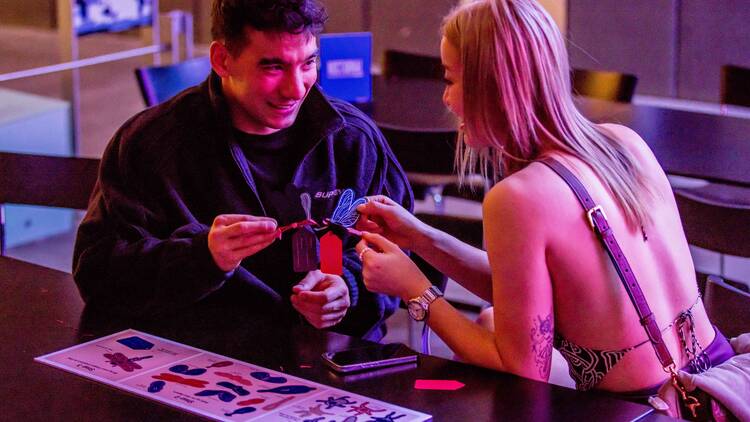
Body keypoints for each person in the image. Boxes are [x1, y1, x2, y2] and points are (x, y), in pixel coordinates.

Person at [353, 0, 734, 400]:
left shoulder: (518, 197)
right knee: (490, 319)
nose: (446, 99)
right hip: (712, 386)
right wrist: (418, 238)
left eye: (450, 80)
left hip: (644, 409)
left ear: (492, 84)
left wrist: (416, 291)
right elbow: (523, 295)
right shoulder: (626, 144)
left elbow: (522, 367)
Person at [72, 0, 411, 342]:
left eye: (308, 63)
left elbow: (397, 252)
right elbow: (99, 275)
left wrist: (346, 285)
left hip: (330, 359)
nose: (296, 89)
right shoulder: (151, 145)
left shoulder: (352, 140)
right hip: (200, 361)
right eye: (273, 67)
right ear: (222, 60)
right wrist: (203, 257)